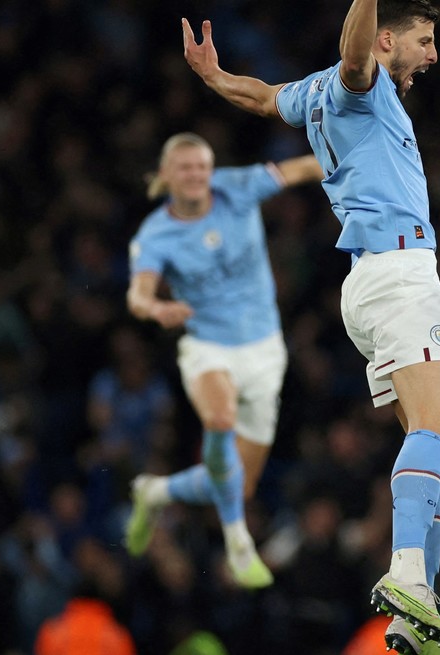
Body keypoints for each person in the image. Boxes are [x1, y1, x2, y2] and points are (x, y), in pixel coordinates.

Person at [182, 0, 440, 649]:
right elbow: (354, 58)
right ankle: (407, 577)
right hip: (398, 273)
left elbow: (261, 98)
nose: (434, 54)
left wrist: (215, 76)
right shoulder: (357, 84)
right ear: (386, 38)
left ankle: (413, 612)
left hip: (372, 280)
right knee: (435, 431)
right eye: (424, 40)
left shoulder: (312, 93)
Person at [124, 132, 323, 589]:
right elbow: (138, 294)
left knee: (238, 483)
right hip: (207, 346)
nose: (196, 176)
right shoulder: (156, 233)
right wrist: (157, 309)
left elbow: (302, 169)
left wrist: (357, 159)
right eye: (185, 168)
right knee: (219, 418)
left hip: (265, 349)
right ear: (166, 175)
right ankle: (239, 540)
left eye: (202, 167)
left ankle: (154, 491)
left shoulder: (238, 187)